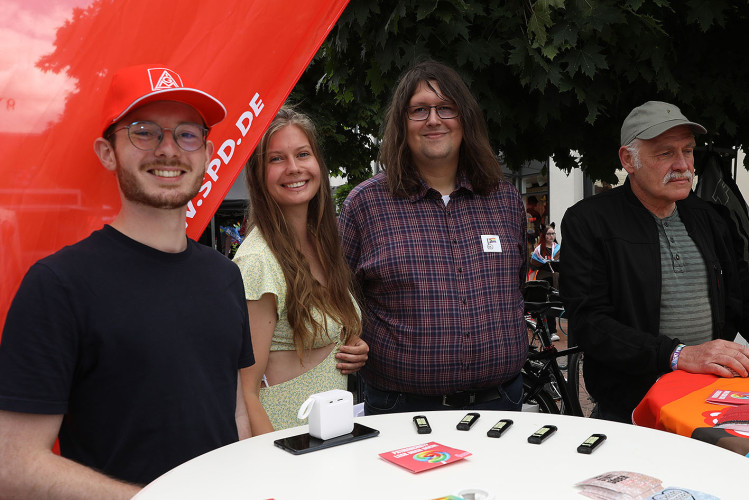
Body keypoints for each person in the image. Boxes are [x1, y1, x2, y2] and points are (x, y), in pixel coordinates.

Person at [0, 64, 254, 498]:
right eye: (144, 131)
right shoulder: (58, 285)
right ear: (107, 152)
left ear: (208, 153)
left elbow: (234, 414)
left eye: (187, 134)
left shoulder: (225, 276)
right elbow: (12, 465)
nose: (169, 150)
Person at [338, 60, 528, 415]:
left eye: (446, 108)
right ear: (401, 124)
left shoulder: (504, 198)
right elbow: (339, 295)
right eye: (419, 110)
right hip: (401, 410)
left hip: (500, 404)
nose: (434, 120)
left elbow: (517, 283)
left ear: (465, 119)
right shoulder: (364, 205)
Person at [561, 100, 749, 423]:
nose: (683, 165)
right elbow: (590, 323)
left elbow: (740, 294)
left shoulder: (710, 218)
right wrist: (677, 355)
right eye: (666, 153)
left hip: (707, 402)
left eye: (688, 151)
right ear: (628, 160)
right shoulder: (589, 222)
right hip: (631, 410)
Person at [233, 108, 368, 433]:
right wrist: (271, 464)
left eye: (302, 154)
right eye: (276, 159)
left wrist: (352, 346)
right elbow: (244, 391)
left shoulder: (321, 243)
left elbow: (317, 333)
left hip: (330, 434)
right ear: (258, 174)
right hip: (285, 440)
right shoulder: (258, 262)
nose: (293, 168)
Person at [530, 224, 561, 340]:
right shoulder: (539, 250)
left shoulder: (558, 248)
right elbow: (533, 266)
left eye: (553, 233)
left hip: (555, 281)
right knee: (543, 305)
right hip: (543, 280)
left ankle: (552, 331)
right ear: (544, 235)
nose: (551, 236)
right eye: (549, 234)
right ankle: (544, 330)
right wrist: (531, 283)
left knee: (554, 304)